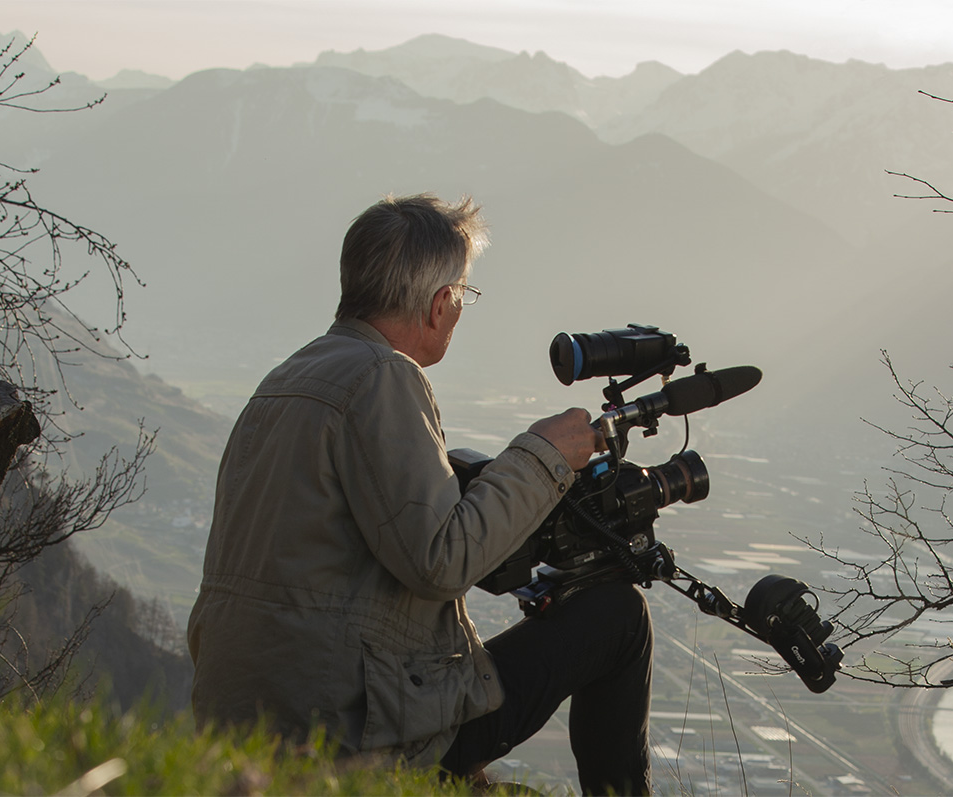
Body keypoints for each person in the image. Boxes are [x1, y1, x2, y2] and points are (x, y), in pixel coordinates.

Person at [187, 194, 653, 795]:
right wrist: (544, 455)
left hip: (252, 717)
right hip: (347, 731)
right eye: (464, 293)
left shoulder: (284, 382)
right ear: (440, 304)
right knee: (616, 616)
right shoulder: (383, 376)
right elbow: (442, 560)